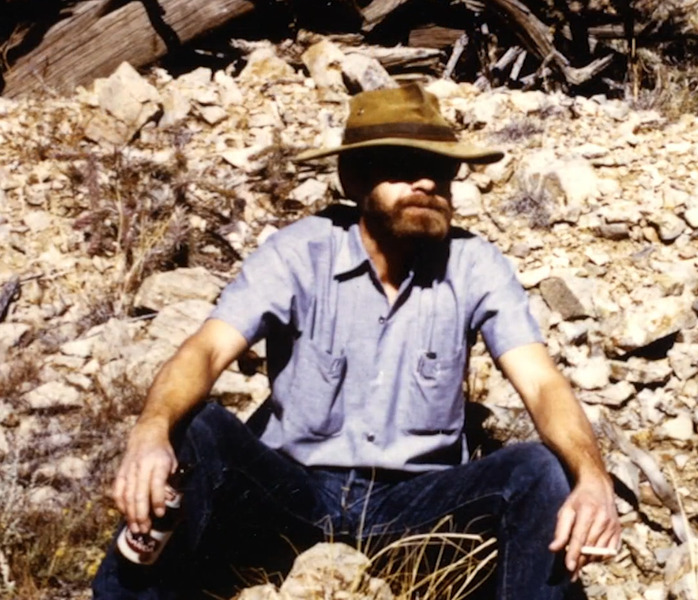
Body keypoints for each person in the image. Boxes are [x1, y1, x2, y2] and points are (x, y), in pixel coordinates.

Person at [93, 83, 620, 600]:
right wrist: (150, 430)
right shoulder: (300, 253)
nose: (427, 183)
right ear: (355, 180)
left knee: (537, 472)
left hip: (416, 510)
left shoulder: (474, 264)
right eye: (402, 166)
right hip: (292, 496)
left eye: (440, 170)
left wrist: (592, 476)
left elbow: (543, 383)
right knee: (197, 431)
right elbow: (205, 351)